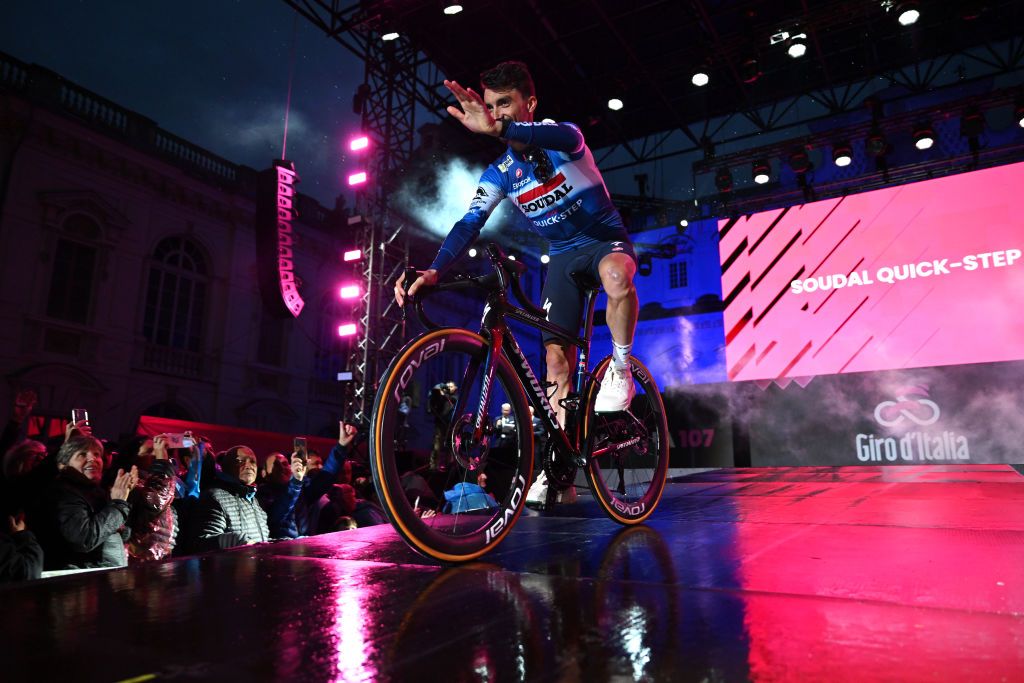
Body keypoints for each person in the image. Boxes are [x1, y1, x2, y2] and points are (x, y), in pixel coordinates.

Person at [394, 61, 639, 425]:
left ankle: (621, 370)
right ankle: (559, 471)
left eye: (504, 104)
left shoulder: (563, 137)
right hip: (562, 258)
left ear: (531, 104)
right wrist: (434, 271)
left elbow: (564, 138)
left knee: (616, 277)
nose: (495, 114)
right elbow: (469, 223)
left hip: (604, 241)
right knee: (555, 359)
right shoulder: (500, 174)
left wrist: (500, 127)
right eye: (490, 106)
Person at [37, 434, 137, 570]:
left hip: (100, 577)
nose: (93, 459)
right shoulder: (63, 492)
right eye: (82, 454)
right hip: (75, 581)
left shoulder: (94, 491)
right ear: (63, 465)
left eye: (97, 454)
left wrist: (125, 502)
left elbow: (111, 532)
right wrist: (118, 505)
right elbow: (83, 539)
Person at [192, 445, 269, 551]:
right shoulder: (215, 496)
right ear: (226, 466)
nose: (248, 466)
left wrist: (284, 543)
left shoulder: (256, 500)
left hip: (256, 565)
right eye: (240, 461)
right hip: (231, 567)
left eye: (252, 461)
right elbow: (204, 542)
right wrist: (238, 540)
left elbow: (261, 542)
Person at [427, 381, 458, 471]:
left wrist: (443, 394)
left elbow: (452, 401)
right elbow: (434, 396)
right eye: (447, 386)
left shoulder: (455, 398)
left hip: (451, 425)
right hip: (440, 424)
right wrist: (439, 390)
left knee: (450, 446)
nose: (448, 388)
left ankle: (450, 465)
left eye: (451, 387)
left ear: (455, 388)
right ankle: (433, 466)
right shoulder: (442, 398)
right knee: (437, 445)